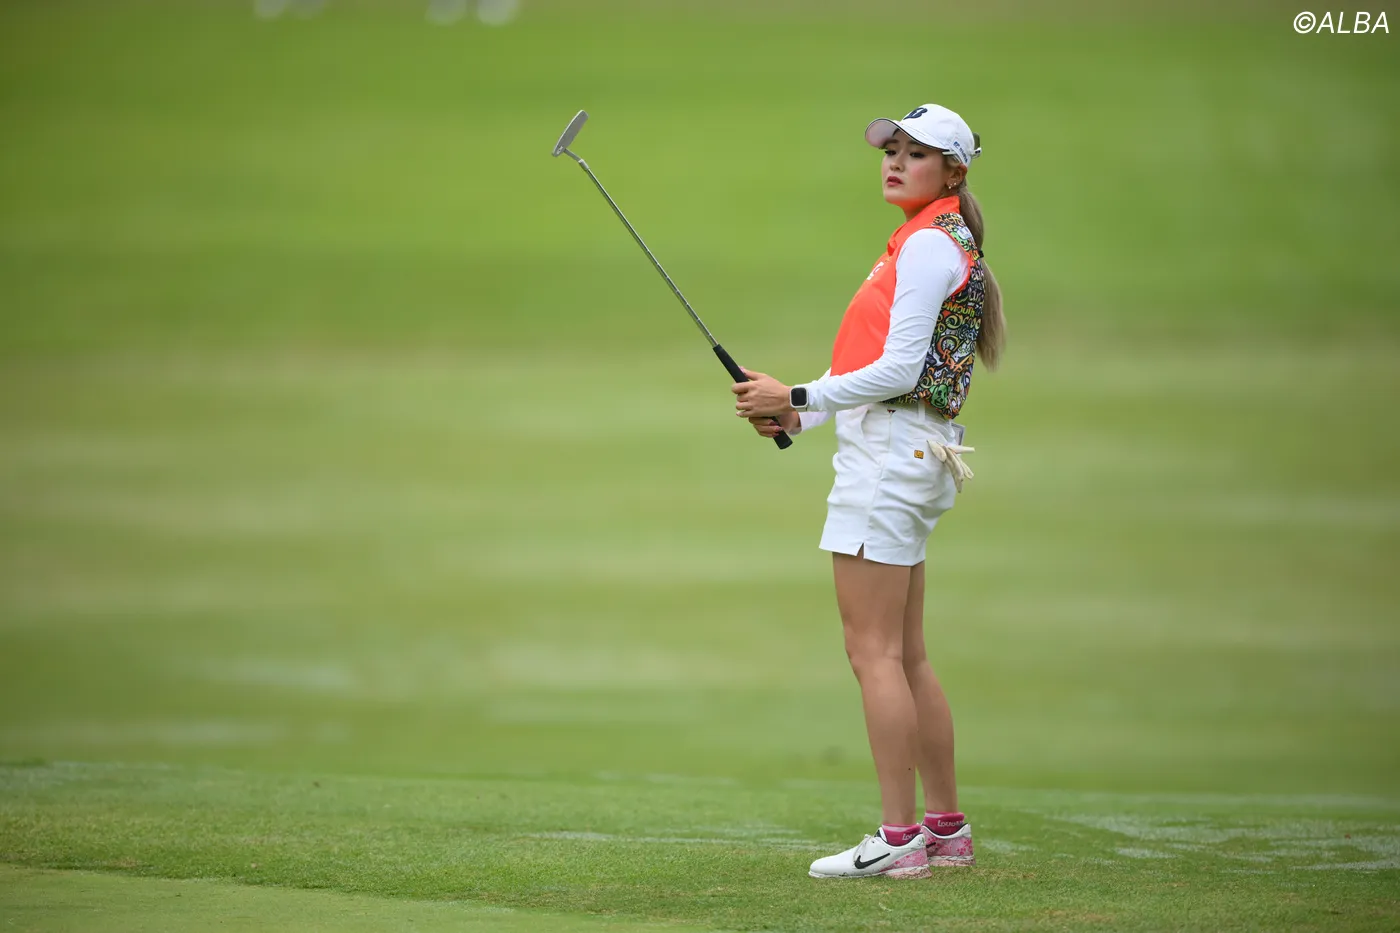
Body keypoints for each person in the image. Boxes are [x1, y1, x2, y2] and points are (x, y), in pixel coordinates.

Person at [731, 103, 1005, 879]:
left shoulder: (926, 246)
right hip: (905, 450)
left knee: (874, 654)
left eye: (915, 153)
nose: (894, 161)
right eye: (892, 149)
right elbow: (876, 371)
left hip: (887, 460)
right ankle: (944, 828)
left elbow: (899, 371)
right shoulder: (930, 238)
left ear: (952, 171)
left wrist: (797, 396)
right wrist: (801, 414)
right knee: (906, 654)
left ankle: (899, 837)